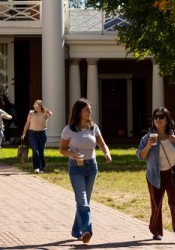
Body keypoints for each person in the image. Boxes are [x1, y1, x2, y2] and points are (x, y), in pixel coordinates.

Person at [59, 98, 112, 245]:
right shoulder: (68, 129)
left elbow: (102, 144)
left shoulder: (93, 127)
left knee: (85, 201)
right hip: (76, 168)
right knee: (82, 201)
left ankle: (77, 230)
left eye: (90, 110)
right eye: (86, 110)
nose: (90, 112)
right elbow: (62, 150)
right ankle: (87, 230)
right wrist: (72, 155)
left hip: (92, 167)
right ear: (79, 112)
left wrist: (106, 153)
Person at [137, 107, 175, 243]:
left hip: (173, 173)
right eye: (155, 117)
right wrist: (148, 146)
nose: (158, 119)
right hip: (155, 175)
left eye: (161, 117)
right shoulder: (148, 137)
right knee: (156, 204)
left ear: (167, 119)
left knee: (174, 203)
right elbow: (140, 156)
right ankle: (156, 231)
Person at [22, 99, 52, 173]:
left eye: (36, 104)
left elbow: (50, 114)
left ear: (40, 106)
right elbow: (27, 124)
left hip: (42, 134)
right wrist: (24, 133)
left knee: (41, 152)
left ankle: (41, 168)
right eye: (34, 104)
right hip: (32, 134)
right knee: (35, 151)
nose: (35, 106)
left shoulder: (44, 113)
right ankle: (36, 168)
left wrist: (48, 112)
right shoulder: (31, 113)